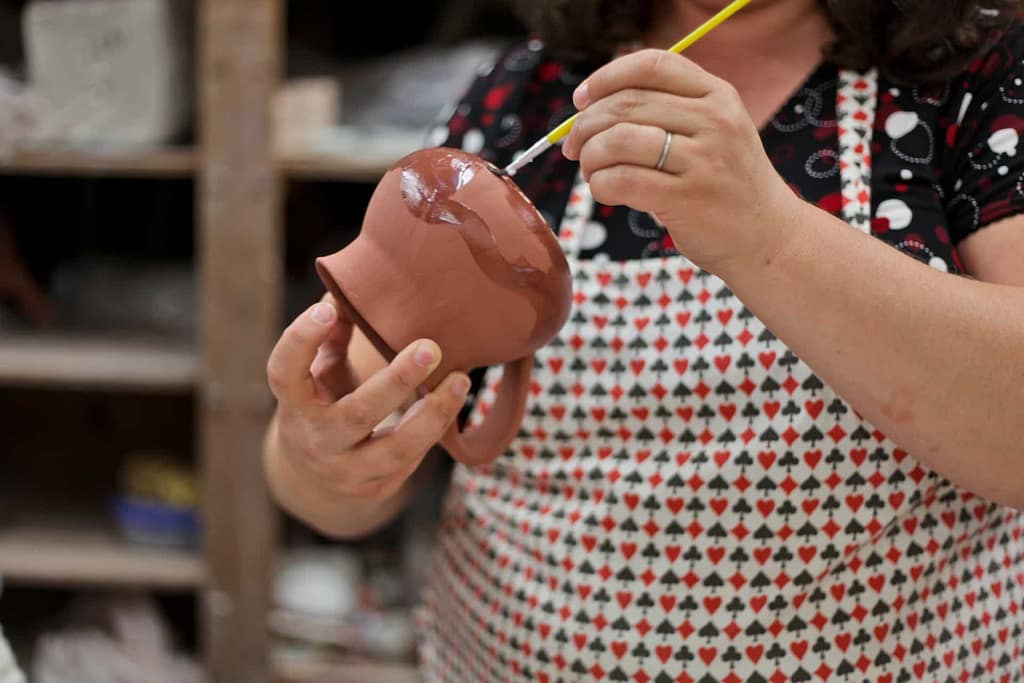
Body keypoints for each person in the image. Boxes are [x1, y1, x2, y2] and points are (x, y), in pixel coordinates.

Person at [263, 0, 1024, 679]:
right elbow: (343, 438)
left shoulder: (976, 74)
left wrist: (769, 235)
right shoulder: (522, 95)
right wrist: (321, 459)